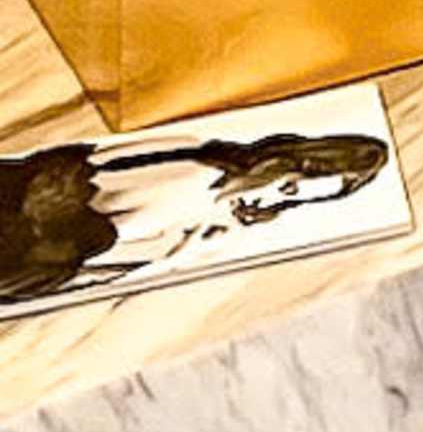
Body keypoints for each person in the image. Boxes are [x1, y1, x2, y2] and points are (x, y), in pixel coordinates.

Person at [0, 123, 390, 313]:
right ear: (285, 160)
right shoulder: (193, 175)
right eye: (288, 186)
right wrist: (177, 253)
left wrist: (179, 254)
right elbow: (94, 243)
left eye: (293, 202)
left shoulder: (211, 208)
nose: (272, 198)